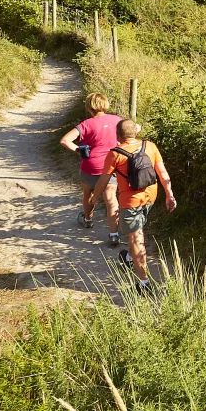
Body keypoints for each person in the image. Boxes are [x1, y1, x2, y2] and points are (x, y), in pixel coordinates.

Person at [90, 118, 177, 291]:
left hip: (130, 202)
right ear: (135, 132)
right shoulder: (150, 146)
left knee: (136, 239)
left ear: (118, 135)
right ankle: (129, 258)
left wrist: (94, 197)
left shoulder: (115, 153)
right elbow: (163, 173)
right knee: (136, 230)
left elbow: (103, 181)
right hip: (150, 196)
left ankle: (144, 283)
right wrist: (170, 195)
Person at [60, 93, 121, 246]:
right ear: (105, 103)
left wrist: (78, 150)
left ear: (89, 106)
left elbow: (65, 140)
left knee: (88, 193)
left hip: (90, 166)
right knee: (111, 199)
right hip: (111, 166)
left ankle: (88, 220)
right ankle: (114, 235)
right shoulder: (118, 120)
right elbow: (132, 131)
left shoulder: (85, 124)